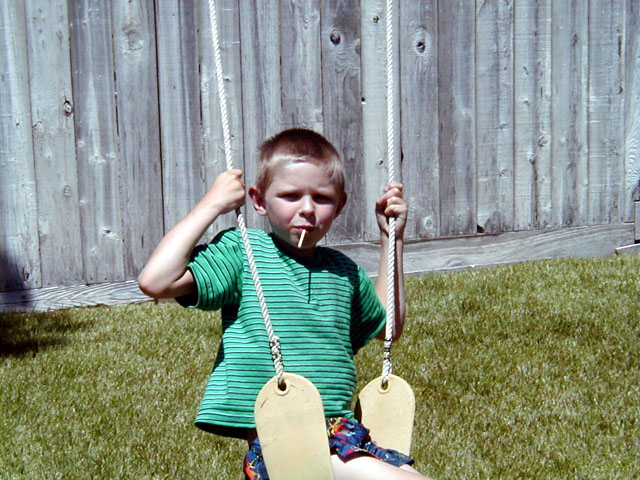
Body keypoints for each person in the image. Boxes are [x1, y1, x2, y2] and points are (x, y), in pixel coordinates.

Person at [138, 128, 428, 479]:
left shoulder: (343, 271)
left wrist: (390, 239)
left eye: (322, 198)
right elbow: (156, 280)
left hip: (342, 435)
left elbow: (388, 329)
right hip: (283, 444)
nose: (307, 209)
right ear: (258, 201)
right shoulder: (243, 254)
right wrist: (212, 204)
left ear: (340, 205)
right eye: (291, 195)